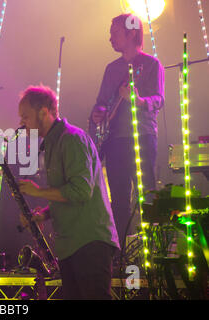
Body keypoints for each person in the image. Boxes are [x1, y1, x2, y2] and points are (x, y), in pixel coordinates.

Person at [18, 85, 120, 300]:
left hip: (88, 241)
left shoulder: (72, 139)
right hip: (72, 244)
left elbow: (81, 191)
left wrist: (39, 191)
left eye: (26, 117)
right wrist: (43, 215)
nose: (22, 123)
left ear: (44, 112)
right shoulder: (54, 143)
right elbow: (67, 195)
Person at [90, 14, 165, 244]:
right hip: (115, 142)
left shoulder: (152, 64)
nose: (110, 37)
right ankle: (121, 252)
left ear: (132, 32)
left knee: (147, 196)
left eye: (115, 32)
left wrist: (138, 100)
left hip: (142, 136)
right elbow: (101, 102)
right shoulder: (111, 69)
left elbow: (159, 99)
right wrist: (97, 113)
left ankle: (153, 249)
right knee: (119, 200)